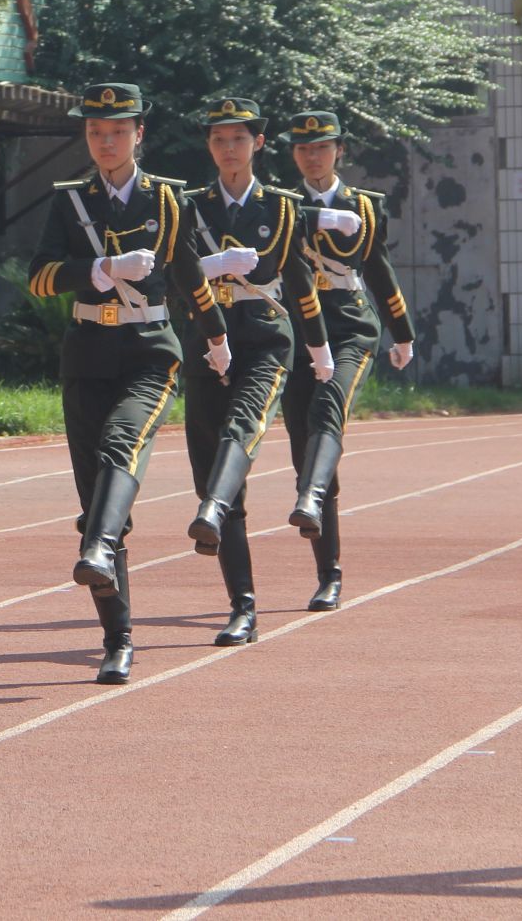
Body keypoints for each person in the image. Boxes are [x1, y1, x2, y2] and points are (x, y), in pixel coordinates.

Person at [27, 82, 231, 685]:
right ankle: (117, 639)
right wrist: (101, 269)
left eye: (117, 130)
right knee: (94, 501)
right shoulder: (69, 202)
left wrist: (217, 340)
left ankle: (96, 550)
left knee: (123, 443)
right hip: (86, 350)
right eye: (95, 132)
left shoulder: (167, 199)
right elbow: (39, 280)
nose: (105, 141)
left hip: (149, 351)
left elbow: (192, 274)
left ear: (139, 134)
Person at [179, 98, 335, 647]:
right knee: (210, 461)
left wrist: (318, 351)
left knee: (242, 427)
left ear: (258, 144)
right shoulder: (189, 206)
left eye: (239, 140)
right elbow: (172, 276)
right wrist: (212, 266)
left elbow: (299, 283)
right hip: (206, 337)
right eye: (219, 141)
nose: (229, 150)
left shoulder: (282, 206)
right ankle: (241, 605)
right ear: (210, 147)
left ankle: (213, 508)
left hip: (266, 334)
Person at [277, 109, 418, 612]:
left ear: (340, 151)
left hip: (350, 324)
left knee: (328, 407)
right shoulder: (282, 205)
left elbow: (379, 271)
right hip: (298, 328)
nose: (312, 156)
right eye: (302, 148)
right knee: (302, 442)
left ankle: (313, 505)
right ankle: (324, 557)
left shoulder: (364, 205)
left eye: (321, 147)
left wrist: (402, 334)